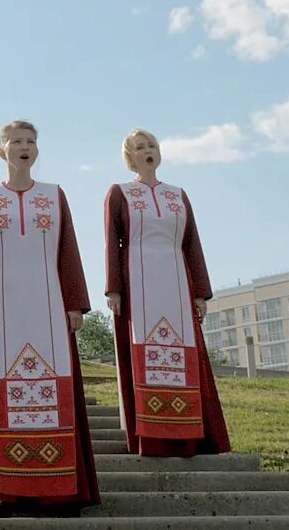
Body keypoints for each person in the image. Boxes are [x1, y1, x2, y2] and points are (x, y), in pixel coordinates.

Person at [0, 120, 99, 517]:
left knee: (55, 393)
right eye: (16, 141)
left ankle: (60, 492)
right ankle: (9, 493)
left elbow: (68, 251)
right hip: (5, 312)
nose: (24, 147)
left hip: (49, 308)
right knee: (5, 393)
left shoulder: (54, 195)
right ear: (1, 150)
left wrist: (74, 303)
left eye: (31, 141)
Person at [104, 129, 231, 458]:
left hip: (177, 282)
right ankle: (152, 436)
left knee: (184, 352)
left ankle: (189, 436)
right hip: (139, 284)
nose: (148, 151)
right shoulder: (120, 193)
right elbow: (112, 242)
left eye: (152, 146)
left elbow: (192, 244)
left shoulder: (178, 195)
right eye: (140, 147)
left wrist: (200, 292)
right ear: (130, 157)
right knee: (143, 353)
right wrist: (114, 288)